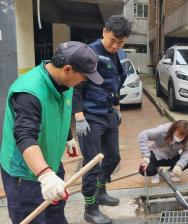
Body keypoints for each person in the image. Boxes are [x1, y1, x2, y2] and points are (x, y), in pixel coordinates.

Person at [0, 41, 103, 224]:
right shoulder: (29, 92)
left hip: (52, 165)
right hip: (27, 174)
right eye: (84, 76)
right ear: (67, 69)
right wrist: (46, 175)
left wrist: (68, 137)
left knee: (56, 218)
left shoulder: (66, 84)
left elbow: (58, 112)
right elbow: (25, 136)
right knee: (32, 218)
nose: (84, 81)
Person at [72, 15, 131, 224]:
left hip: (108, 114)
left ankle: (101, 191)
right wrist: (79, 117)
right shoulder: (89, 53)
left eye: (121, 42)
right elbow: (76, 86)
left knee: (113, 157)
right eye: (113, 40)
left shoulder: (120, 54)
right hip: (90, 116)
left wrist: (117, 107)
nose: (115, 46)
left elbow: (116, 84)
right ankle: (90, 208)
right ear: (104, 32)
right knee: (91, 164)